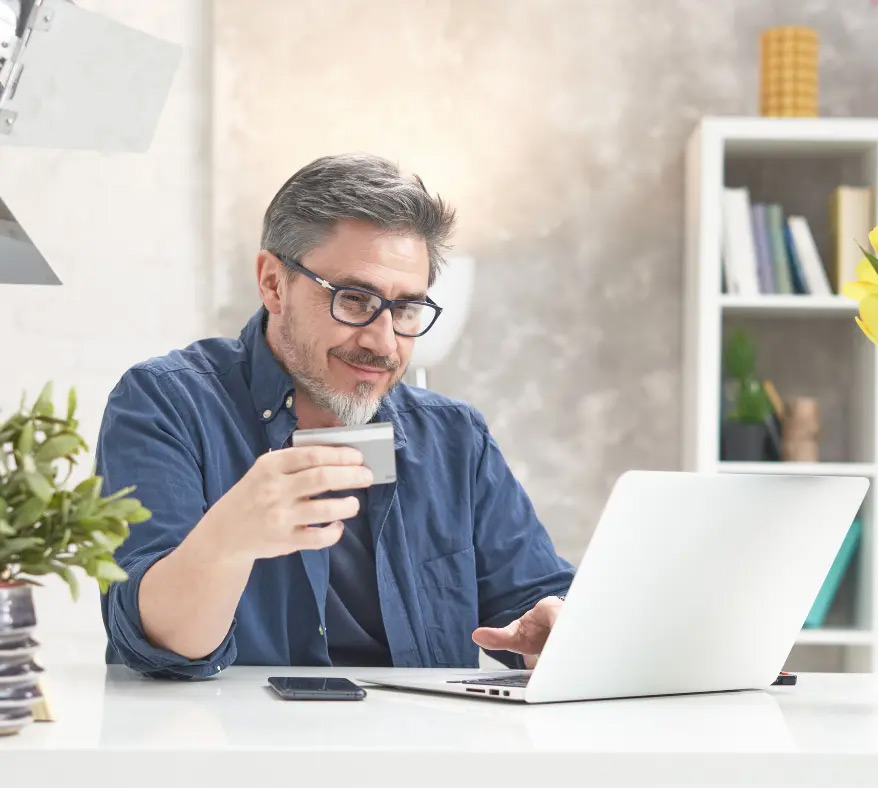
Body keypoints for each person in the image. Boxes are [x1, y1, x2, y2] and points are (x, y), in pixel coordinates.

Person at [97, 154, 574, 678]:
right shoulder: (167, 404)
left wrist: (555, 627)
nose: (383, 341)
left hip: (422, 750)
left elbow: (533, 600)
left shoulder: (455, 437)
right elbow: (162, 644)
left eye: (406, 310)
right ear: (274, 283)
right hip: (230, 749)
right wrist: (228, 540)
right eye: (353, 299)